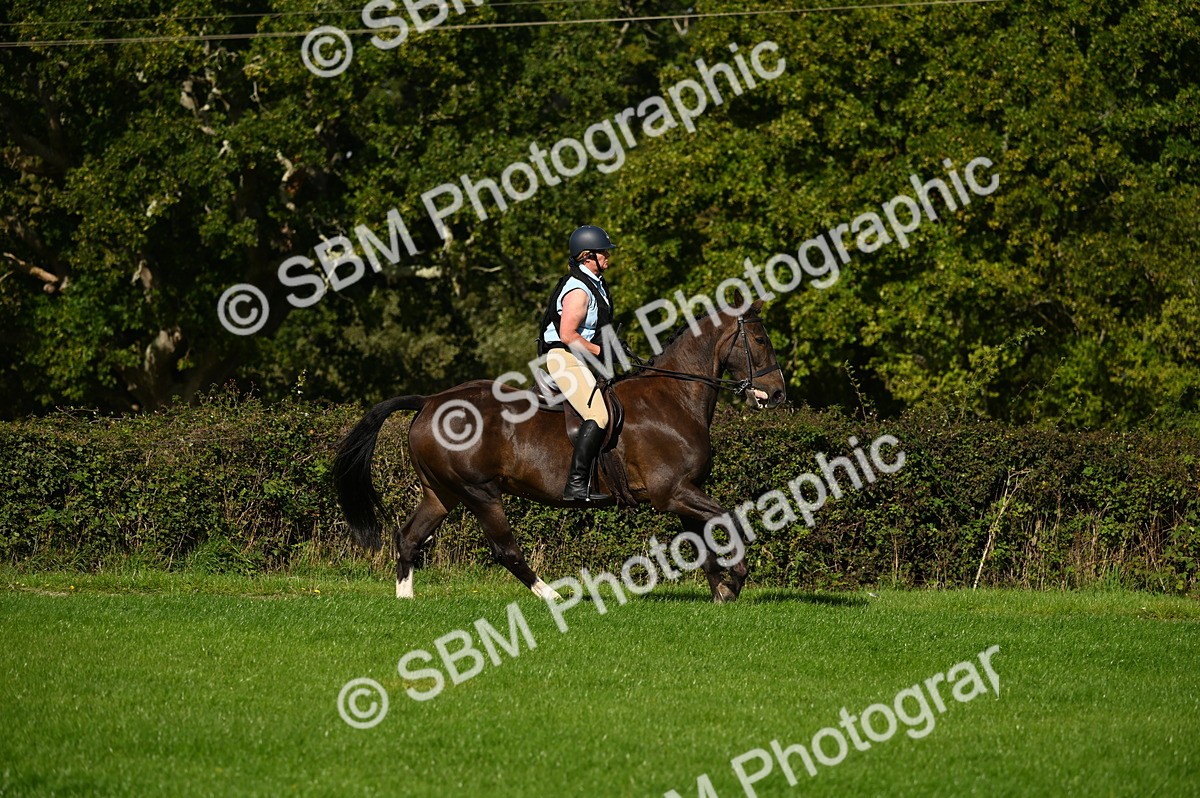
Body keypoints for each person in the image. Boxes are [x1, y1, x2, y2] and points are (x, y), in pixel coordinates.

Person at [538, 225, 618, 501]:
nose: (608, 256)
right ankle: (575, 485)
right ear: (587, 256)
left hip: (582, 359)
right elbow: (567, 335)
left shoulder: (595, 284)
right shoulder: (578, 290)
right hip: (564, 358)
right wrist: (600, 350)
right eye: (603, 253)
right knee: (599, 415)